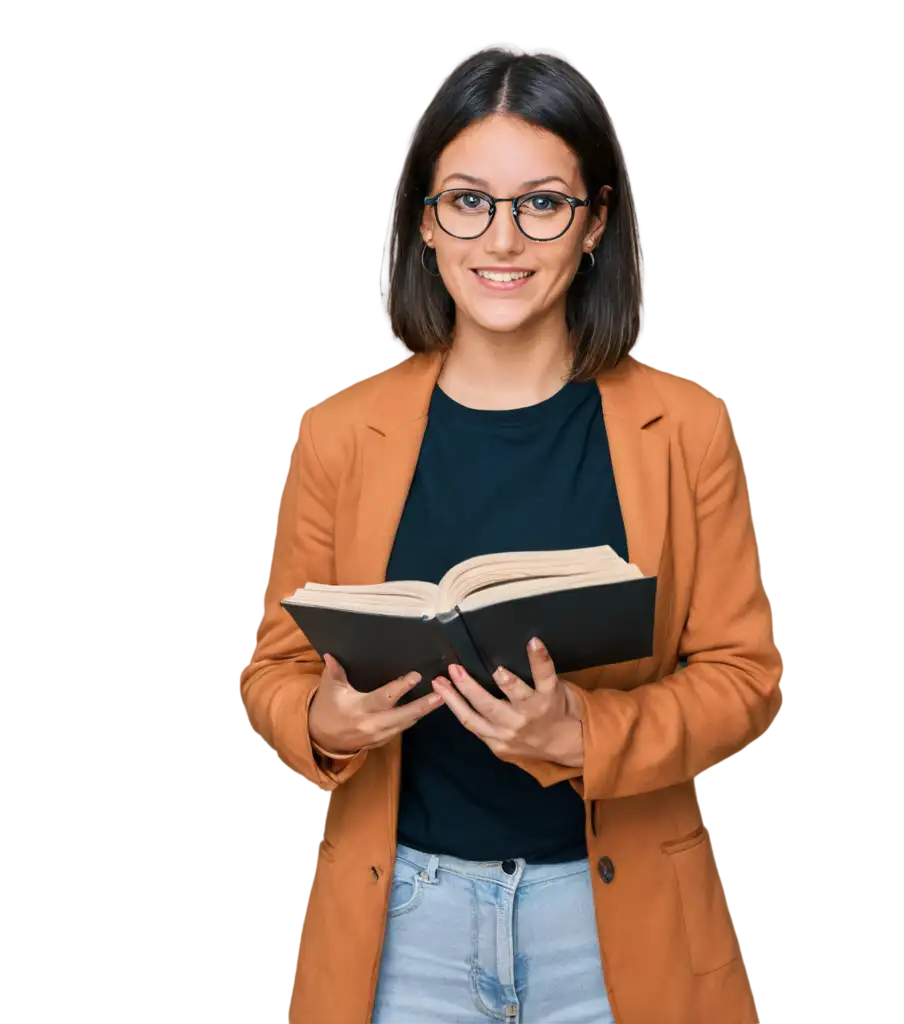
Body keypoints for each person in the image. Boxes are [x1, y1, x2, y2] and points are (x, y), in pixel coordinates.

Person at [234, 47, 780, 1024]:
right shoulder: (335, 431)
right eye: (467, 201)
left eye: (542, 203)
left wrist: (585, 733)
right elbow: (271, 672)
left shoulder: (684, 428)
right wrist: (324, 723)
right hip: (403, 924)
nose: (504, 237)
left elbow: (739, 677)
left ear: (594, 221)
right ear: (427, 225)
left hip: (615, 927)